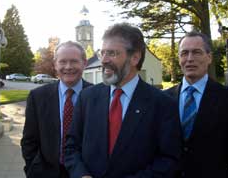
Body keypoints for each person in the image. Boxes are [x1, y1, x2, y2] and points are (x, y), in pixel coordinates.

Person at [65, 23, 182, 178]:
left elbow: (169, 160)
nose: (104, 60)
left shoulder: (163, 104)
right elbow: (71, 147)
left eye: (112, 53)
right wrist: (81, 175)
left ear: (134, 57)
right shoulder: (87, 97)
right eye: (103, 53)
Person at [165, 31, 228, 178]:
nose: (190, 59)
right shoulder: (163, 99)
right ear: (179, 59)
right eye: (184, 53)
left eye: (196, 52)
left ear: (209, 58)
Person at [21, 41, 93, 178]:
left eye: (74, 61)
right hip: (46, 173)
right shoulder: (37, 97)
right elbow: (29, 141)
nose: (68, 67)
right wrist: (32, 170)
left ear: (85, 63)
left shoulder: (99, 96)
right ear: (55, 64)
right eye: (63, 62)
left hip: (86, 173)